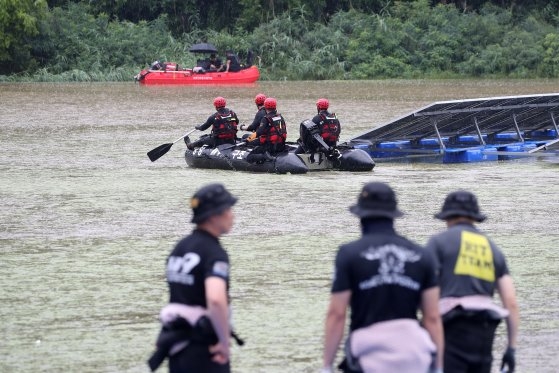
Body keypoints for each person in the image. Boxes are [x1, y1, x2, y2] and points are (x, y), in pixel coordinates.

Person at [321, 182, 444, 373]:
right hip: (414, 356)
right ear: (394, 216)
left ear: (360, 217)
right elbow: (432, 317)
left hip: (369, 356)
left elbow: (337, 314)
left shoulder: (349, 254)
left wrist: (327, 366)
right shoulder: (422, 255)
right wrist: (438, 367)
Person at [148, 183, 238, 373]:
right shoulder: (213, 253)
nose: (232, 215)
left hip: (177, 348)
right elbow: (215, 299)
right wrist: (223, 342)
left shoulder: (180, 248)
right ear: (214, 215)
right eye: (229, 209)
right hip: (204, 349)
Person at [425, 190, 519, 373]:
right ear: (474, 217)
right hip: (485, 330)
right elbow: (511, 302)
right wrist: (511, 348)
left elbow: (425, 295)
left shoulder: (438, 243)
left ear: (447, 216)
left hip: (451, 329)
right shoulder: (492, 247)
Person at [245, 97, 288, 163]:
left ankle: (264, 156)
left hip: (270, 147)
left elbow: (259, 132)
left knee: (249, 157)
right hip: (281, 145)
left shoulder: (266, 119)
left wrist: (248, 139)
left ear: (265, 107)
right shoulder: (280, 117)